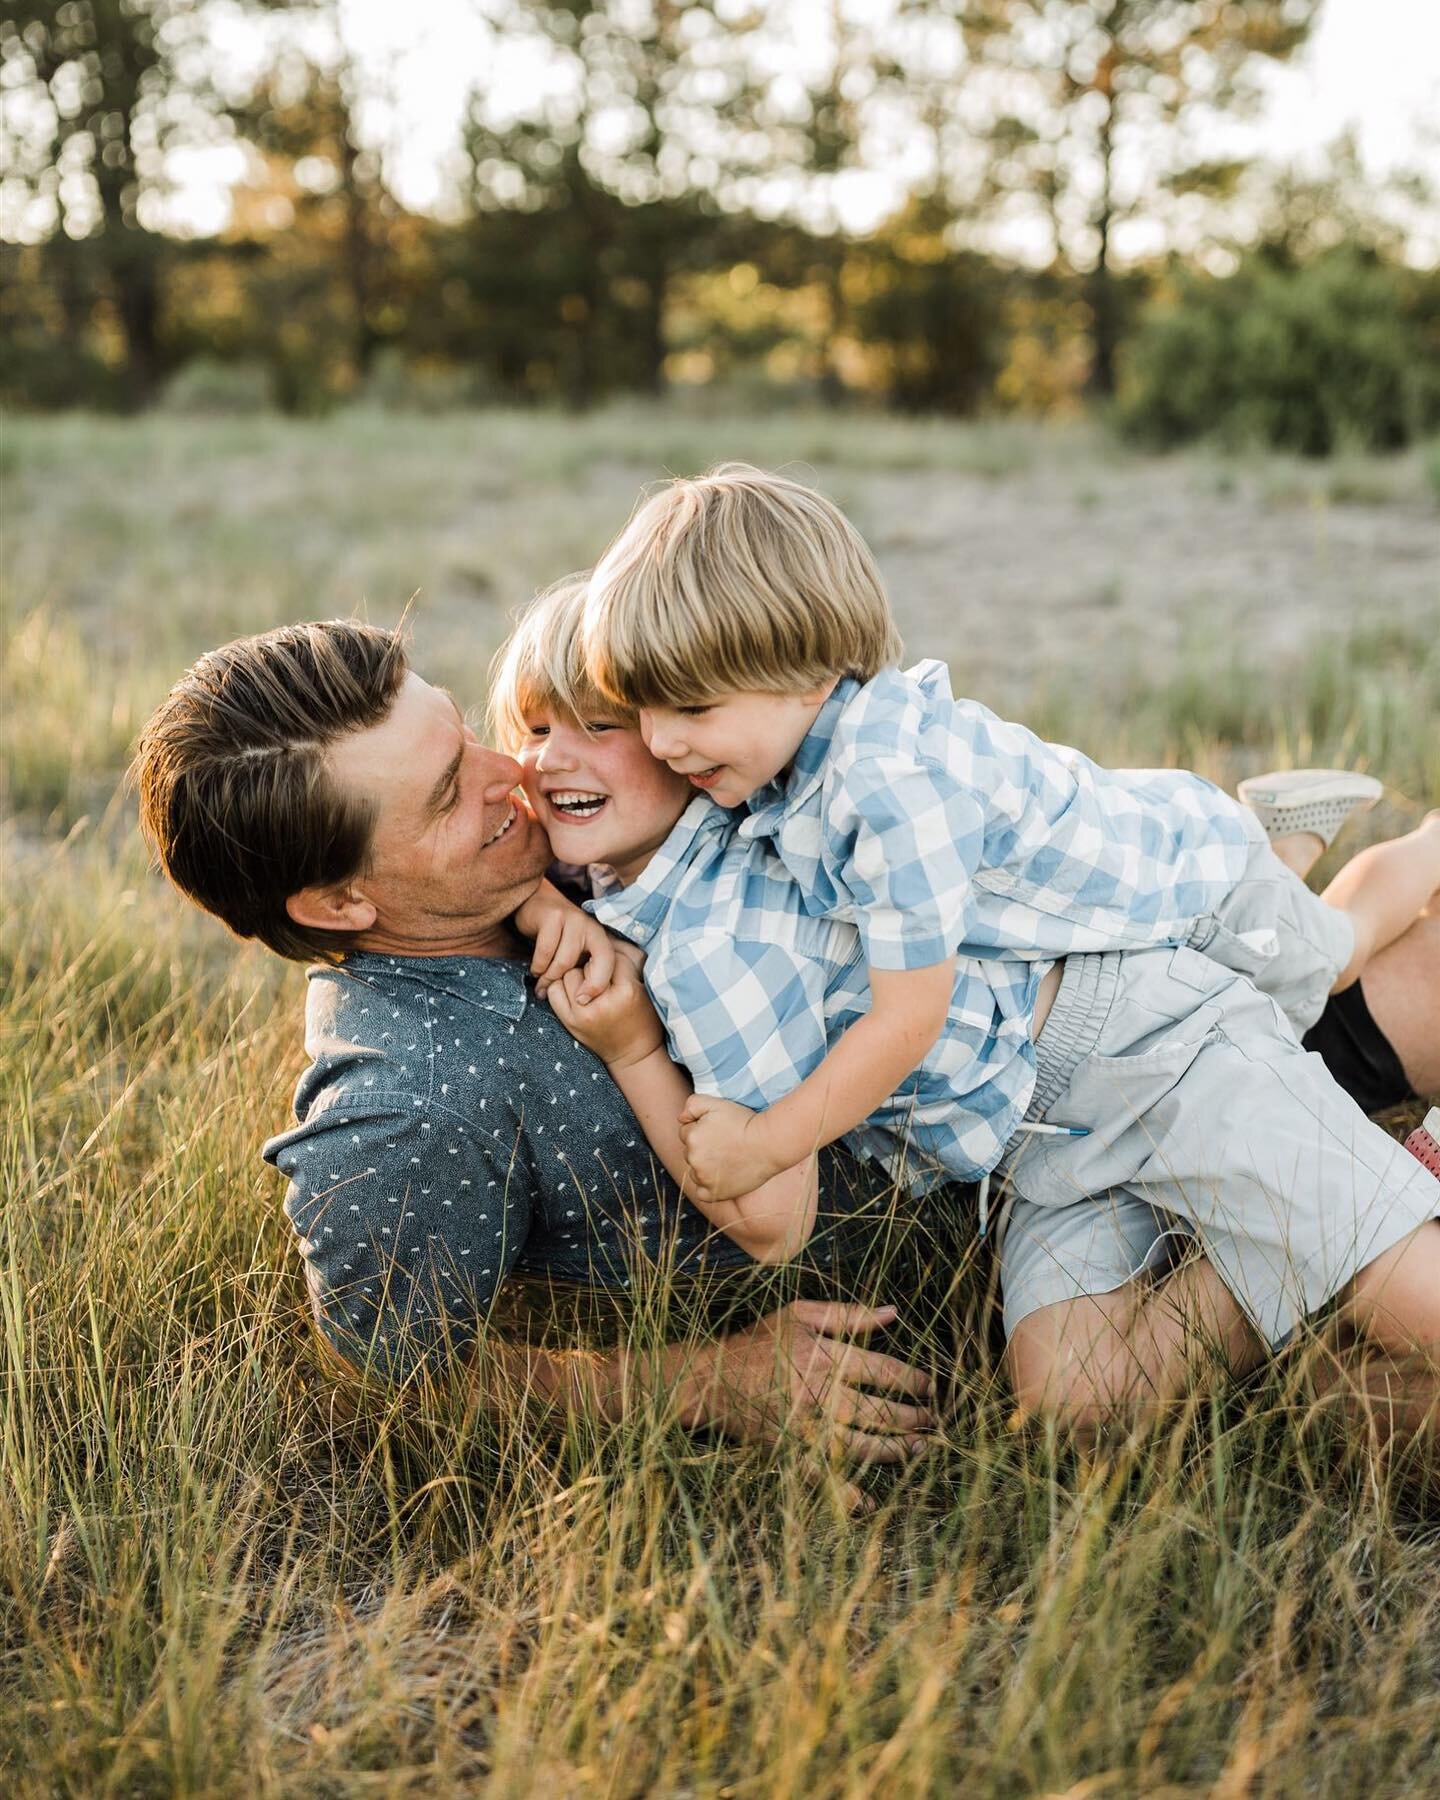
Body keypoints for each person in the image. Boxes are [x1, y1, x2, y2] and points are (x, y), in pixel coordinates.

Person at [490, 578, 1440, 1439]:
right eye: (532, 730)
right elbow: (528, 817)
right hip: (1041, 1131)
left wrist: (633, 1048)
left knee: (1333, 973)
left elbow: (772, 1220)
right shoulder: (723, 809)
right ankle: (1343, 1185)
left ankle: (1346, 1186)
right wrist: (532, 895)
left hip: (1146, 1039)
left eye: (605, 725)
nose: (548, 761)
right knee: (1075, 1405)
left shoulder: (721, 942)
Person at [132, 619, 938, 1491]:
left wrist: (542, 902)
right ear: (338, 903)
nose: (515, 772)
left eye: (467, 735)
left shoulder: (520, 875)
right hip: (945, 1208)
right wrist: (712, 1380)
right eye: (448, 794)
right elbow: (392, 1376)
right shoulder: (407, 1113)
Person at [580, 463, 1440, 1205]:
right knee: (1274, 946)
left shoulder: (888, 791)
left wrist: (768, 1145)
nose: (661, 742)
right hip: (1143, 895)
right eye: (643, 709)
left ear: (804, 672)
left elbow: (905, 1021)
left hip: (1192, 883)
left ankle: (1421, 846)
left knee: (1337, 955)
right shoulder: (805, 754)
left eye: (693, 708)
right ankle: (1281, 840)